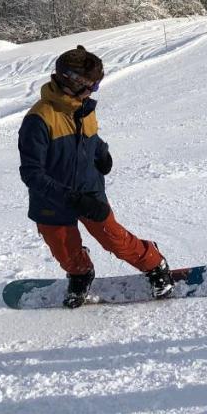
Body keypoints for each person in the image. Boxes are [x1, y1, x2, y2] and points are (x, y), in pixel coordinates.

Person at [17, 45, 172, 308]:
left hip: (89, 189)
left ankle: (155, 264)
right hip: (52, 200)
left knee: (115, 239)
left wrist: (101, 152)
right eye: (92, 85)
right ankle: (80, 273)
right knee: (64, 249)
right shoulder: (39, 120)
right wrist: (72, 199)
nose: (94, 91)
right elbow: (31, 173)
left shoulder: (83, 106)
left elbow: (91, 135)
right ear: (70, 81)